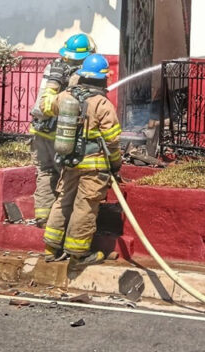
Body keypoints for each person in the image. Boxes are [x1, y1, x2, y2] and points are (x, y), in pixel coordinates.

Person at [42, 53, 121, 267]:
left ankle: (50, 248)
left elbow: (45, 106)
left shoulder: (65, 97)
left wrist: (53, 83)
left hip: (69, 162)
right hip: (94, 167)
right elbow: (112, 141)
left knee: (63, 201)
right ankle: (78, 255)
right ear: (103, 78)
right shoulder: (102, 104)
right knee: (85, 207)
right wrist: (116, 163)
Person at [28, 33, 97, 227]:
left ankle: (42, 217)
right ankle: (61, 220)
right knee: (65, 176)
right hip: (60, 134)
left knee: (44, 171)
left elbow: (43, 101)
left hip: (38, 129)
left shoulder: (54, 66)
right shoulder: (80, 74)